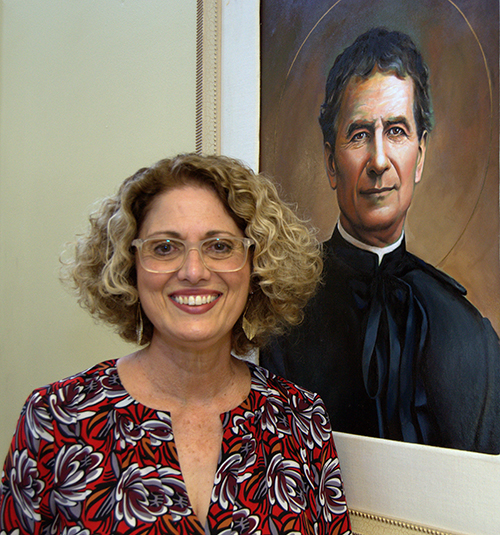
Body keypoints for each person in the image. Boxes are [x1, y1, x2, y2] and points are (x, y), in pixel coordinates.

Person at [0, 154, 351, 534]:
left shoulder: (301, 421)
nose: (194, 271)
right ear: (129, 267)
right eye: (165, 248)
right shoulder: (55, 419)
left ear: (257, 265)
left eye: (219, 246)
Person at [261, 28, 500, 454]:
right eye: (358, 134)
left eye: (396, 131)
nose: (378, 160)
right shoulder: (279, 319)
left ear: (420, 156)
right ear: (331, 162)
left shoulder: (473, 336)